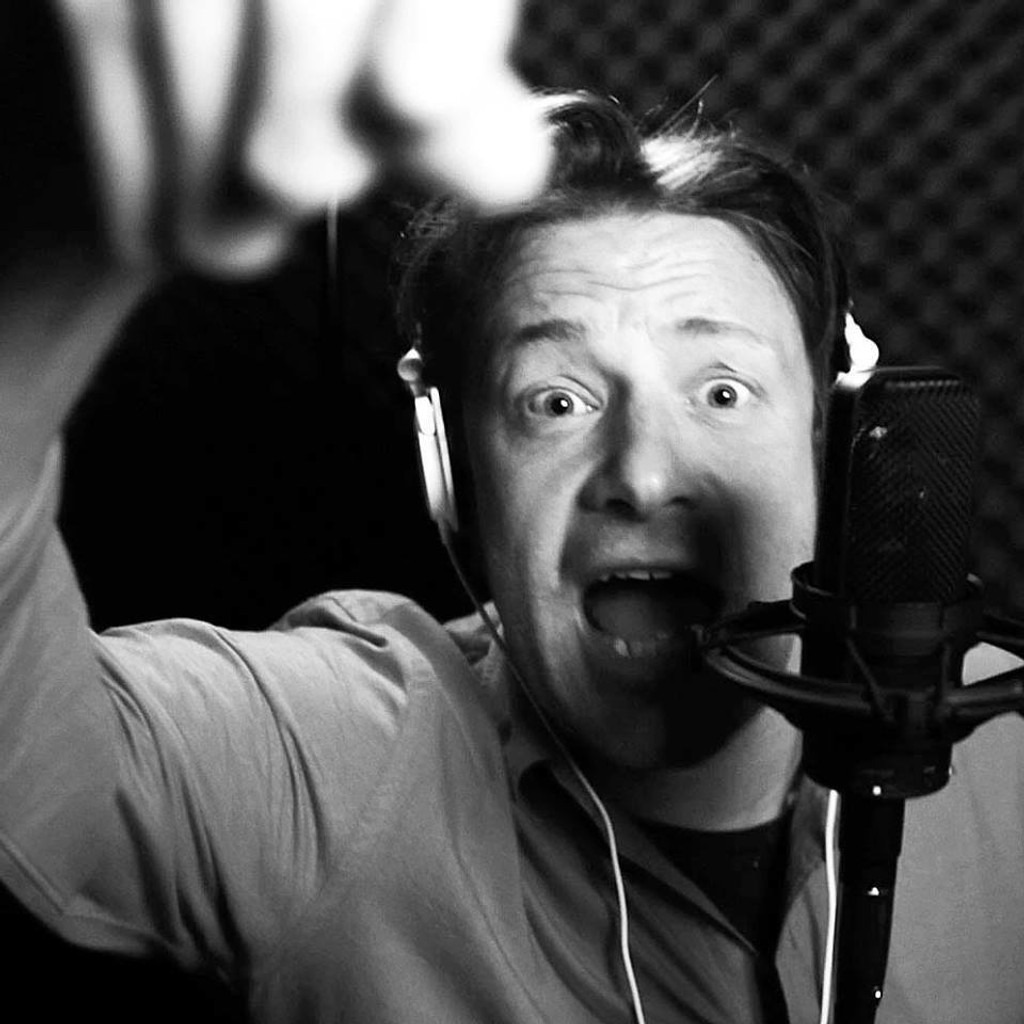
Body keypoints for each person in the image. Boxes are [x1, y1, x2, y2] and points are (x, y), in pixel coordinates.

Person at [2, 7, 1024, 1024]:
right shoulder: (339, 756)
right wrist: (69, 232)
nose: (643, 474)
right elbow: (35, 768)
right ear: (455, 473)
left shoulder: (1003, 733)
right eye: (557, 402)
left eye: (721, 391)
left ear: (829, 447)